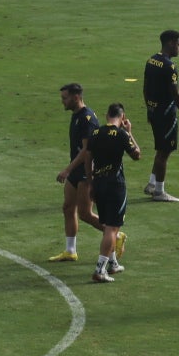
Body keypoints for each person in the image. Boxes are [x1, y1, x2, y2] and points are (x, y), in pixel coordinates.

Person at [58, 102, 139, 284]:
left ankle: (113, 263)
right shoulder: (121, 134)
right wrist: (130, 133)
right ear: (123, 117)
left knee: (106, 224)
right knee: (112, 228)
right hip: (115, 185)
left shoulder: (96, 133)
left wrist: (91, 182)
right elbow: (137, 155)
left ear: (106, 115)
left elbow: (88, 158)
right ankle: (100, 270)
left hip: (98, 183)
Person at [50, 82, 104, 262]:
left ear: (76, 97)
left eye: (65, 98)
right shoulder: (76, 115)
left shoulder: (87, 118)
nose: (62, 102)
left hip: (85, 172)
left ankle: (115, 234)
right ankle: (70, 250)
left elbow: (87, 150)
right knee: (68, 207)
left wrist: (67, 169)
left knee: (85, 214)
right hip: (76, 171)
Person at [142, 29, 179, 202]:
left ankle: (151, 183)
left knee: (160, 149)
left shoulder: (151, 60)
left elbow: (145, 88)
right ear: (171, 43)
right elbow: (176, 94)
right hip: (166, 114)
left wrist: (149, 109)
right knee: (165, 151)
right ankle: (159, 191)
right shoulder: (169, 66)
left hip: (154, 111)